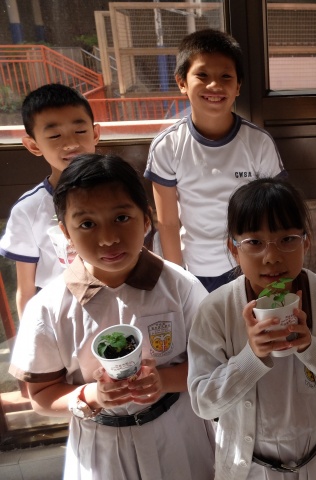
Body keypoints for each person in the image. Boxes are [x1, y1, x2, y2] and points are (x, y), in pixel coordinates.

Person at [9, 154, 215, 480]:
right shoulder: (48, 307)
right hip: (100, 447)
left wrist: (163, 380)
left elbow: (212, 364)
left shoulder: (181, 287)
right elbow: (42, 396)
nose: (107, 238)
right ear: (65, 232)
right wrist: (92, 395)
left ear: (146, 220)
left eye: (121, 217)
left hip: (178, 433)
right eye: (87, 224)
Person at [187, 177, 316, 479]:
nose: (272, 257)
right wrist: (251, 357)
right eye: (254, 243)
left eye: (287, 239)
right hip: (251, 469)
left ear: (306, 242)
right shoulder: (217, 310)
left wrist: (311, 347)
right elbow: (203, 403)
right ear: (234, 249)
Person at [144, 28, 285, 293]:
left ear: (238, 86)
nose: (214, 86)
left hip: (250, 266)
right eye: (202, 75)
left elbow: (274, 213)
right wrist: (177, 280)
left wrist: (269, 265)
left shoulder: (258, 143)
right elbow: (168, 223)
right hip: (196, 271)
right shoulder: (168, 146)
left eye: (225, 77)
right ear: (182, 82)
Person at [0, 83, 100, 318]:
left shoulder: (119, 194)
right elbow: (26, 290)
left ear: (95, 134)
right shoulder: (28, 210)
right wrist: (30, 335)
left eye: (80, 131)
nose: (71, 143)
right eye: (55, 135)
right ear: (33, 145)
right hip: (61, 314)